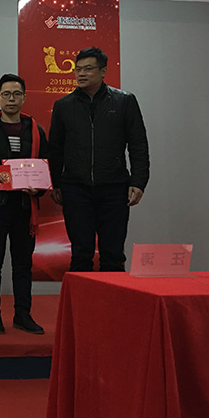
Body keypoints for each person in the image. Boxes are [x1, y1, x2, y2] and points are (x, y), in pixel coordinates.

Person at [49, 47, 149, 272]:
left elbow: (138, 144)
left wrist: (138, 181)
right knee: (80, 254)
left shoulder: (124, 101)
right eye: (78, 69)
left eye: (88, 69)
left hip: (114, 188)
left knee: (113, 255)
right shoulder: (63, 106)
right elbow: (55, 149)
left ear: (103, 71)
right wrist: (55, 183)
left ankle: (112, 296)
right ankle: (81, 297)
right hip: (75, 189)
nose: (81, 74)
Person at [0, 74, 49, 335]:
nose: (11, 99)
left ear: (24, 98)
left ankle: (22, 315)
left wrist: (39, 187)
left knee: (23, 264)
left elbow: (46, 166)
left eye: (16, 94)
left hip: (25, 207)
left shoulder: (36, 130)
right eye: (6, 94)